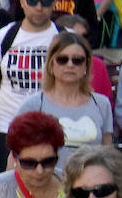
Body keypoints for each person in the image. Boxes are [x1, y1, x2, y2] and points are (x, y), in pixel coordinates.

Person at [0, 0, 61, 168]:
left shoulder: (63, 38)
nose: (39, 6)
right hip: (7, 126)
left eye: (45, 1)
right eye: (32, 0)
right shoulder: (4, 36)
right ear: (22, 2)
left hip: (51, 126)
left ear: (54, 3)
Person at [16, 32, 114, 164]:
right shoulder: (33, 105)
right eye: (62, 59)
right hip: (46, 182)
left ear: (86, 66)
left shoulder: (102, 104)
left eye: (77, 60)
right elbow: (16, 154)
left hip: (91, 182)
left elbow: (108, 152)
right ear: (51, 64)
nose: (70, 65)